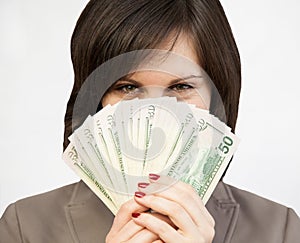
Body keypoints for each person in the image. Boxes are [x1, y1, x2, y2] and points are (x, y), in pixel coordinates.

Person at [1, 0, 299, 242]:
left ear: (217, 97)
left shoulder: (280, 229)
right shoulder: (24, 227)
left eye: (181, 87)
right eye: (127, 88)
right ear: (95, 99)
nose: (155, 115)